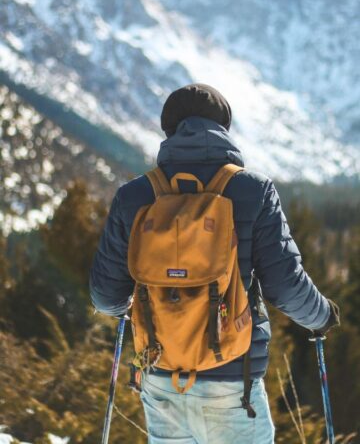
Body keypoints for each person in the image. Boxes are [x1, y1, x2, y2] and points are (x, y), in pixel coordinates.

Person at [89, 83, 340, 444]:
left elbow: (105, 297)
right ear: (223, 128)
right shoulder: (253, 190)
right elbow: (285, 285)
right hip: (232, 380)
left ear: (169, 130)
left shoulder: (135, 196)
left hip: (161, 377)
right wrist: (321, 317)